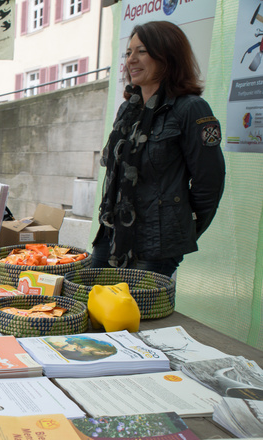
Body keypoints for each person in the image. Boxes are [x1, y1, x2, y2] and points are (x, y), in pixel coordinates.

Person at [92, 21, 225, 277]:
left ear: (167, 56)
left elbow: (209, 182)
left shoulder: (190, 109)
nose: (132, 59)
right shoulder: (127, 110)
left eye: (142, 51)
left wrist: (179, 230)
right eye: (129, 52)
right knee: (93, 307)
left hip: (156, 246)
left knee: (137, 316)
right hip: (111, 236)